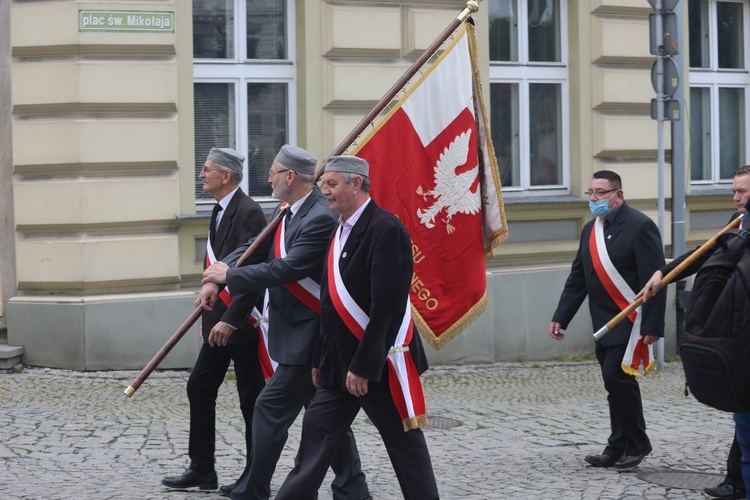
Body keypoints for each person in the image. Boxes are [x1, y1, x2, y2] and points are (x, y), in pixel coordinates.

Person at [199, 145, 371, 500]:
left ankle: (254, 488)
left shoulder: (320, 217)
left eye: (274, 172)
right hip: (294, 332)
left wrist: (230, 276)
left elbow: (288, 268)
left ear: (290, 177)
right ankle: (352, 488)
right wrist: (216, 276)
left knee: (269, 407)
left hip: (310, 335)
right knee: (325, 417)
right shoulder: (286, 211)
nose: (268, 179)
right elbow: (253, 247)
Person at [275, 155, 439, 500]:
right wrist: (320, 359)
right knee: (315, 440)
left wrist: (364, 367)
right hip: (338, 366)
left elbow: (387, 309)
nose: (325, 192)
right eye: (324, 184)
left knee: (404, 445)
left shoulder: (386, 229)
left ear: (356, 184)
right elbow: (329, 306)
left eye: (332, 184)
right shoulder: (338, 229)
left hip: (378, 366)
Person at [640, 165, 750, 499]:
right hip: (740, 339)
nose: (736, 198)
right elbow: (706, 253)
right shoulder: (740, 223)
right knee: (743, 419)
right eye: (734, 191)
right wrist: (664, 273)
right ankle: (737, 482)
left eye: (742, 191)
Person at [162, 148, 267, 492]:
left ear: (226, 176)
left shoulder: (249, 211)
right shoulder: (219, 209)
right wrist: (210, 321)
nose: (201, 175)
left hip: (242, 323)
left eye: (206, 170)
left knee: (251, 398)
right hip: (218, 320)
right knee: (200, 386)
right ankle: (202, 469)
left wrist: (232, 321)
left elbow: (251, 273)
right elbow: (220, 267)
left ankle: (256, 477)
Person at [548, 170, 666, 469]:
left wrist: (652, 327)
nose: (594, 199)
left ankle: (637, 443)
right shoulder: (591, 230)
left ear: (618, 195)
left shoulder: (640, 226)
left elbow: (656, 279)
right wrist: (562, 317)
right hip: (602, 322)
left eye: (601, 193)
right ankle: (617, 446)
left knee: (618, 378)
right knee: (614, 384)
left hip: (631, 322)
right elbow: (578, 278)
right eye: (590, 193)